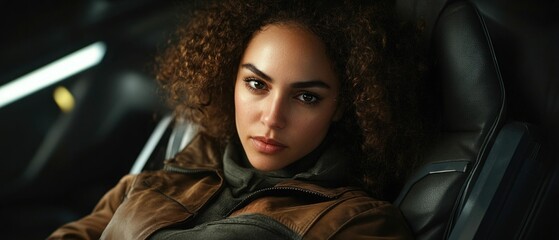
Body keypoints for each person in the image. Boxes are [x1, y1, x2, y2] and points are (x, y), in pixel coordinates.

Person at [49, 0, 426, 239]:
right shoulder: (171, 174)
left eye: (307, 97)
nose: (272, 118)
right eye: (256, 84)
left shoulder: (356, 224)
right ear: (229, 78)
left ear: (344, 106)